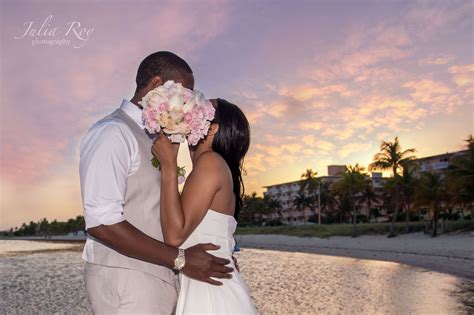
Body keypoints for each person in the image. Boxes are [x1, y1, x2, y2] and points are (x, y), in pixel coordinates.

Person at [79, 52, 233, 314]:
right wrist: (181, 259)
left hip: (157, 278)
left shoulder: (155, 139)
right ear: (156, 86)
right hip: (127, 280)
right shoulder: (113, 133)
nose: (190, 105)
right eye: (186, 94)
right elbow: (101, 222)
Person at [152, 98, 258, 314]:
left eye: (199, 109)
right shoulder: (212, 166)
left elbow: (173, 236)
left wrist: (168, 166)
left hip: (212, 295)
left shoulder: (211, 162)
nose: (190, 110)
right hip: (210, 289)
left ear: (212, 129)